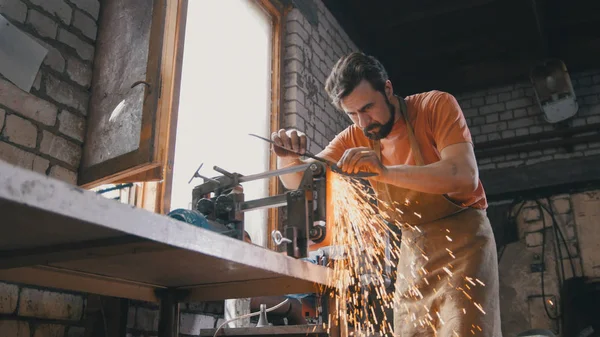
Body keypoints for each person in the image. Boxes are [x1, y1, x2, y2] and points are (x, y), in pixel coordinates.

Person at [270, 52, 501, 336]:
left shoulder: (434, 106)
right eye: (352, 114)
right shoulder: (354, 135)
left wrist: (385, 172)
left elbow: (464, 176)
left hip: (464, 244)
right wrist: (287, 159)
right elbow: (299, 181)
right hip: (414, 252)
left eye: (368, 108)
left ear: (388, 89)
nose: (364, 123)